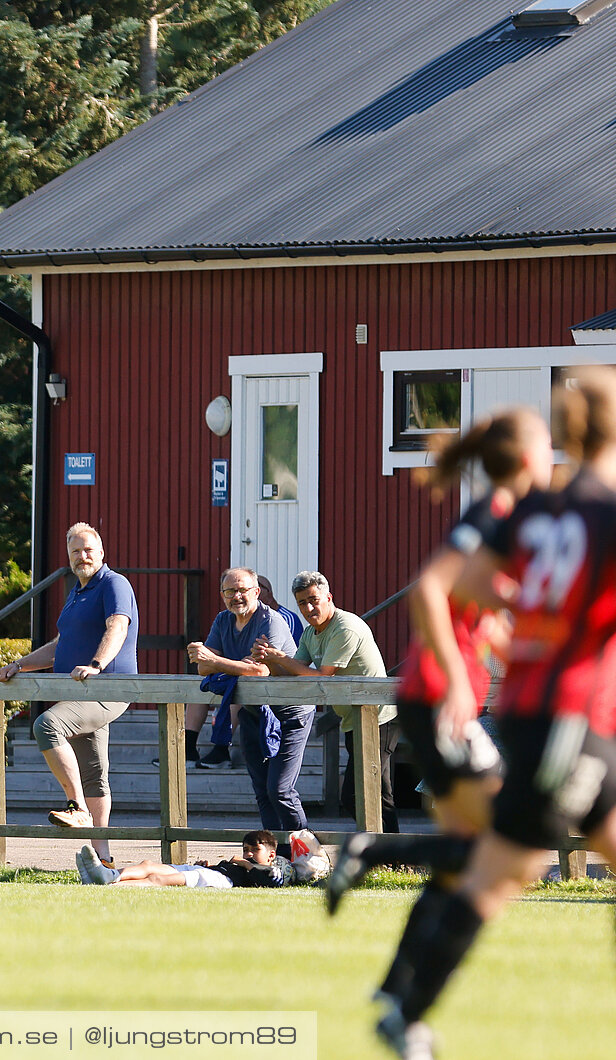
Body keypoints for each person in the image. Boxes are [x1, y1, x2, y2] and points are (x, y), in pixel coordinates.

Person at [371, 369, 616, 1060]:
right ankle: (405, 1007)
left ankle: (402, 1003)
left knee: (512, 863)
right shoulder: (603, 510)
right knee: (506, 868)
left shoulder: (543, 513)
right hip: (570, 716)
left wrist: (536, 621)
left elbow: (474, 585)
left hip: (545, 711)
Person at [326, 408, 553, 915]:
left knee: (465, 859)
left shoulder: (503, 520)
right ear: (525, 457)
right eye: (546, 447)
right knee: (523, 850)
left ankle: (399, 989)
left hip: (436, 700)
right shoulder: (492, 515)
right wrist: (454, 681)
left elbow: (477, 618)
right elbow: (429, 590)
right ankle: (372, 850)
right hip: (436, 698)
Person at [0, 522, 139, 866]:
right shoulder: (76, 592)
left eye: (88, 550)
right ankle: (104, 860)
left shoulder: (114, 584)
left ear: (101, 553)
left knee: (47, 726)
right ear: (69, 558)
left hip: (106, 688)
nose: (82, 556)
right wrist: (20, 664)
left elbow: (117, 626)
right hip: (79, 691)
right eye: (75, 551)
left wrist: (97, 664)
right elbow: (61, 646)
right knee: (94, 772)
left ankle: (77, 808)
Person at [255, 570, 398, 832]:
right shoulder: (311, 634)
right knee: (360, 793)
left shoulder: (346, 626)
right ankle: (384, 850)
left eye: (313, 600)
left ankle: (395, 856)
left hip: (380, 716)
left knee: (373, 791)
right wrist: (270, 660)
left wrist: (280, 658)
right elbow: (294, 672)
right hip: (354, 718)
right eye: (302, 603)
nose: (309, 608)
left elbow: (322, 677)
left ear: (328, 597)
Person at [187, 566, 310, 833]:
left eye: (242, 590)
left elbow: (260, 671)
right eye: (229, 591)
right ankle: (276, 855)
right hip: (253, 712)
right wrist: (234, 664)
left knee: (280, 790)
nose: (236, 596)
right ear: (222, 595)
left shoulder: (271, 620)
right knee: (262, 792)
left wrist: (217, 661)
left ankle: (306, 853)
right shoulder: (222, 621)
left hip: (288, 713)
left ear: (257, 592)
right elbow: (202, 669)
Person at [75, 831, 291, 889]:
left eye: (255, 849)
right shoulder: (244, 864)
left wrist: (245, 863)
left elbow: (272, 881)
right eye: (245, 850)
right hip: (212, 873)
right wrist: (209, 865)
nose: (249, 854)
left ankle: (106, 887)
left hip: (219, 881)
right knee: (148, 865)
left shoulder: (271, 869)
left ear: (271, 855)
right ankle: (107, 875)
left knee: (157, 879)